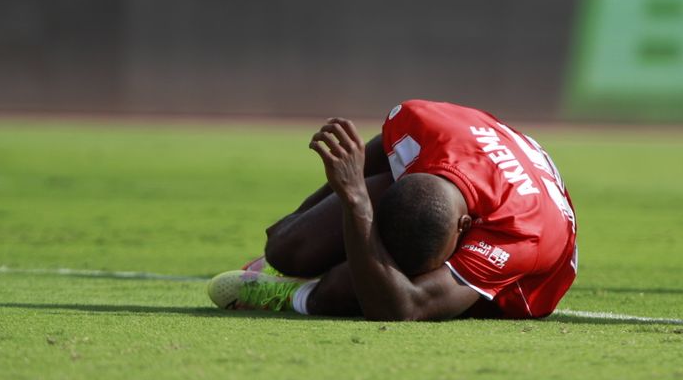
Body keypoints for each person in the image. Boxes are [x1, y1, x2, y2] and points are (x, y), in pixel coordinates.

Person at [207, 100, 579, 322]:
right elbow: (313, 212)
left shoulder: (522, 233)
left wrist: (356, 204)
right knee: (285, 248)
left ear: (465, 228)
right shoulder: (422, 124)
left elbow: (404, 308)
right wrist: (335, 197)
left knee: (352, 285)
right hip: (458, 171)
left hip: (511, 280)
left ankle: (294, 296)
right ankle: (287, 269)